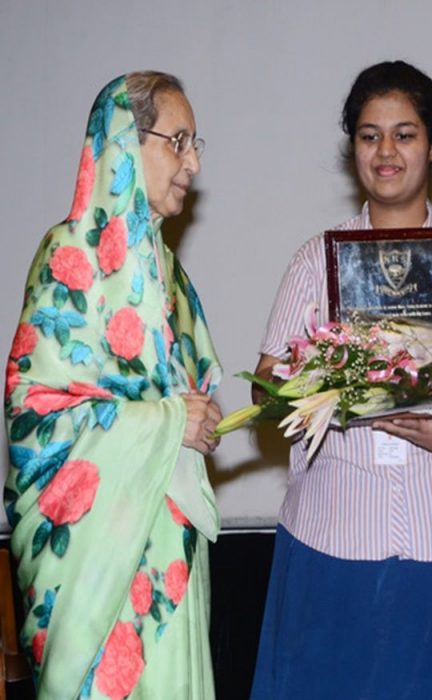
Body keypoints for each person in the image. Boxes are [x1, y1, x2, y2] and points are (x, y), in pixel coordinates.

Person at [249, 60, 432, 699]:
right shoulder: (314, 263)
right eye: (368, 135)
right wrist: (327, 374)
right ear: (352, 147)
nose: (386, 151)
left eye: (405, 133)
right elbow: (264, 388)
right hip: (334, 543)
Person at [4, 73, 223, 698]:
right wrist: (170, 421)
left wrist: (198, 421)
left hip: (168, 546)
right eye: (177, 141)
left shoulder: (171, 276)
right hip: (99, 559)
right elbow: (36, 413)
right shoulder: (69, 256)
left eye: (195, 142)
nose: (194, 162)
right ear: (125, 142)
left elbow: (192, 396)